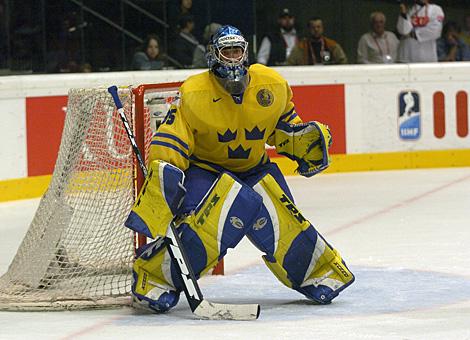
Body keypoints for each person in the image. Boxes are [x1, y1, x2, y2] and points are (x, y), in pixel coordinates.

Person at [125, 25, 355, 313]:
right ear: (214, 55)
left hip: (256, 169)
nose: (233, 58)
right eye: (227, 51)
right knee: (203, 231)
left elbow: (284, 127)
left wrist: (301, 140)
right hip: (207, 171)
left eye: (238, 51)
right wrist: (165, 173)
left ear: (246, 53)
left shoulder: (271, 85)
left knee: (283, 224)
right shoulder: (194, 91)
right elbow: (174, 137)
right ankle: (154, 277)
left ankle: (319, 274)